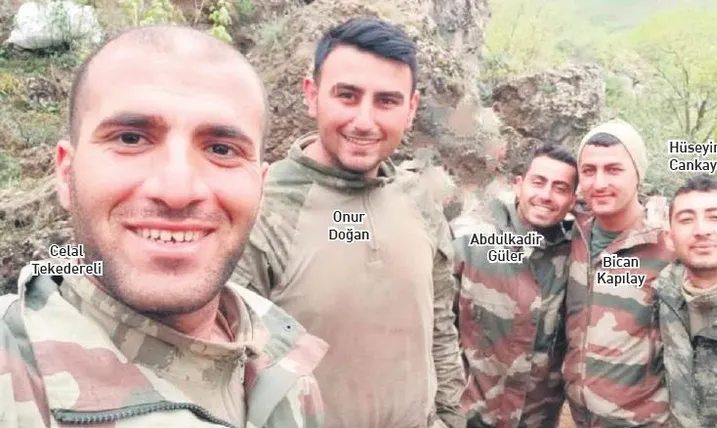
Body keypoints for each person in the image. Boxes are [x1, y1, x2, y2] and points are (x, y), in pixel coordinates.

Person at [0, 25, 328, 428]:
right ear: (66, 174)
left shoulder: (285, 356)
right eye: (130, 139)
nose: (177, 190)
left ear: (261, 188)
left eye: (221, 149)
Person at [230, 17, 466, 428]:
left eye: (386, 101)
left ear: (411, 109)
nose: (364, 121)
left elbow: (440, 325)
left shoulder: (419, 200)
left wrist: (449, 416)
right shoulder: (261, 208)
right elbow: (226, 364)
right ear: (312, 95)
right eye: (347, 95)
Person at [452, 144, 577, 428]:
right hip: (467, 418)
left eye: (560, 188)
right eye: (538, 182)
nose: (546, 195)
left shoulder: (575, 257)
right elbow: (435, 327)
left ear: (573, 200)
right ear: (518, 185)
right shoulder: (470, 241)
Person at [563, 119, 674, 426]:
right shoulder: (572, 234)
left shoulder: (667, 242)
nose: (599, 183)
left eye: (614, 170)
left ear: (638, 174)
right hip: (581, 415)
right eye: (589, 171)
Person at [654, 174, 717, 428]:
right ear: (669, 238)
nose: (701, 230)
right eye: (686, 220)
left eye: (715, 217)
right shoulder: (664, 292)